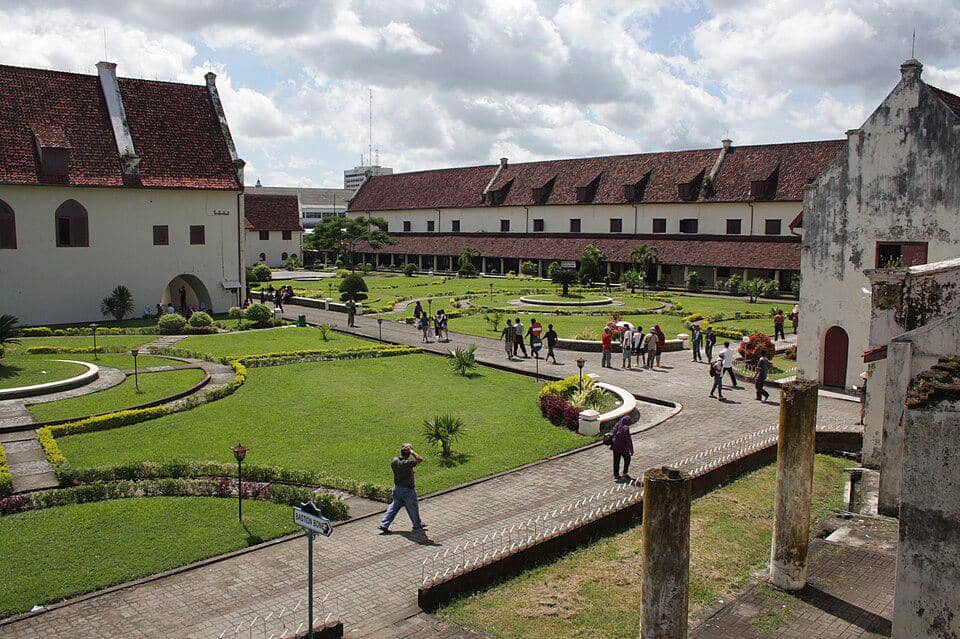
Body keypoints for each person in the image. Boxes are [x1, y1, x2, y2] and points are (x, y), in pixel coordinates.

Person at [379, 444, 426, 533]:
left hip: (397, 488)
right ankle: (417, 525)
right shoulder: (407, 463)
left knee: (394, 507)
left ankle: (384, 524)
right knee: (413, 507)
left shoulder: (394, 461)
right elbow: (419, 459)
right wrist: (412, 452)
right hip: (407, 490)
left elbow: (403, 470)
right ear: (408, 454)